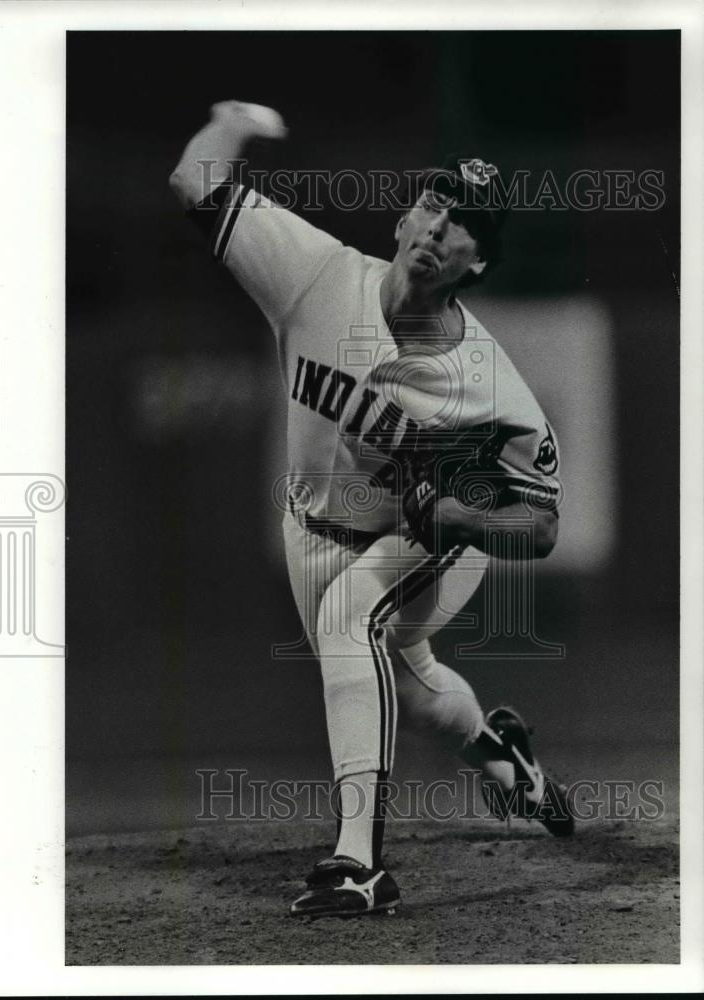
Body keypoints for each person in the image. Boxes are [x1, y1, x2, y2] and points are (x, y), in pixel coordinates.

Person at [170, 101, 573, 919]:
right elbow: (195, 180)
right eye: (434, 202)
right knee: (412, 692)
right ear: (402, 219)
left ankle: (358, 864)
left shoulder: (489, 385)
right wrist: (231, 117)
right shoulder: (315, 273)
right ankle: (505, 760)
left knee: (352, 621)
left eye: (464, 223)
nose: (440, 224)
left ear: (477, 265)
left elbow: (542, 524)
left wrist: (461, 521)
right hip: (309, 529)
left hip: (423, 542)